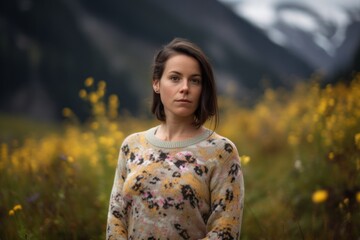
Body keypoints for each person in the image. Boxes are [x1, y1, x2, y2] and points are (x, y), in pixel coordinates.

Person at [106, 38, 245, 240]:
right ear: (156, 83)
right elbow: (116, 218)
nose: (185, 88)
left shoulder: (221, 151)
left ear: (202, 89)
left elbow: (226, 231)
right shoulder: (132, 146)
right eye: (175, 78)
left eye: (195, 80)